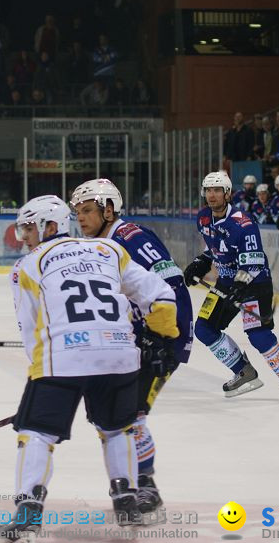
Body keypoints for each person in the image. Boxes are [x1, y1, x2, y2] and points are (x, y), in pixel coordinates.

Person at [0, 195, 179, 541]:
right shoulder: (110, 251)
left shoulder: (27, 266)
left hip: (63, 357)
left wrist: (39, 377)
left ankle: (28, 513)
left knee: (36, 433)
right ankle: (126, 502)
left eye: (29, 228)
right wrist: (163, 337)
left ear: (50, 226)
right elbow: (162, 296)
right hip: (120, 354)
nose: (25, 237)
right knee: (117, 428)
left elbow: (31, 330)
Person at [69, 179, 193, 521]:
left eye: (88, 210)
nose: (81, 218)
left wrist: (165, 338)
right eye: (78, 212)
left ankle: (146, 488)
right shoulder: (102, 244)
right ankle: (135, 484)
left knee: (131, 415)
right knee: (111, 416)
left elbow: (172, 286)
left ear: (109, 210)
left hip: (161, 340)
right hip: (135, 341)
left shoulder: (131, 236)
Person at [183, 171, 279, 403]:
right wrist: (201, 262)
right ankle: (244, 371)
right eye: (208, 190)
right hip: (226, 283)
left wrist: (240, 287)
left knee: (257, 334)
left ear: (227, 193)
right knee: (203, 328)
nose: (212, 195)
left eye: (217, 190)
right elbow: (216, 248)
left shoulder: (244, 223)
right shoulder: (203, 218)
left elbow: (252, 261)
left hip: (254, 283)